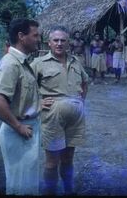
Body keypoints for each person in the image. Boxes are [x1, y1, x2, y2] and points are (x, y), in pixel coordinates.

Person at [31, 26, 88, 195]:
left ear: (68, 43)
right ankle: (50, 192)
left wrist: (81, 101)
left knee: (68, 158)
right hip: (52, 118)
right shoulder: (38, 64)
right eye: (55, 40)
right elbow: (25, 87)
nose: (59, 43)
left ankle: (68, 190)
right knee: (52, 161)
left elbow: (85, 82)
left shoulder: (76, 61)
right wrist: (38, 103)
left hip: (76, 118)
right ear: (49, 43)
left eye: (63, 40)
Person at [0, 18, 41, 195]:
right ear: (21, 36)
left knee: (28, 184)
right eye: (35, 35)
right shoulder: (10, 63)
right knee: (21, 187)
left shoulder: (22, 62)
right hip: (19, 132)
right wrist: (18, 126)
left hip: (26, 129)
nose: (38, 39)